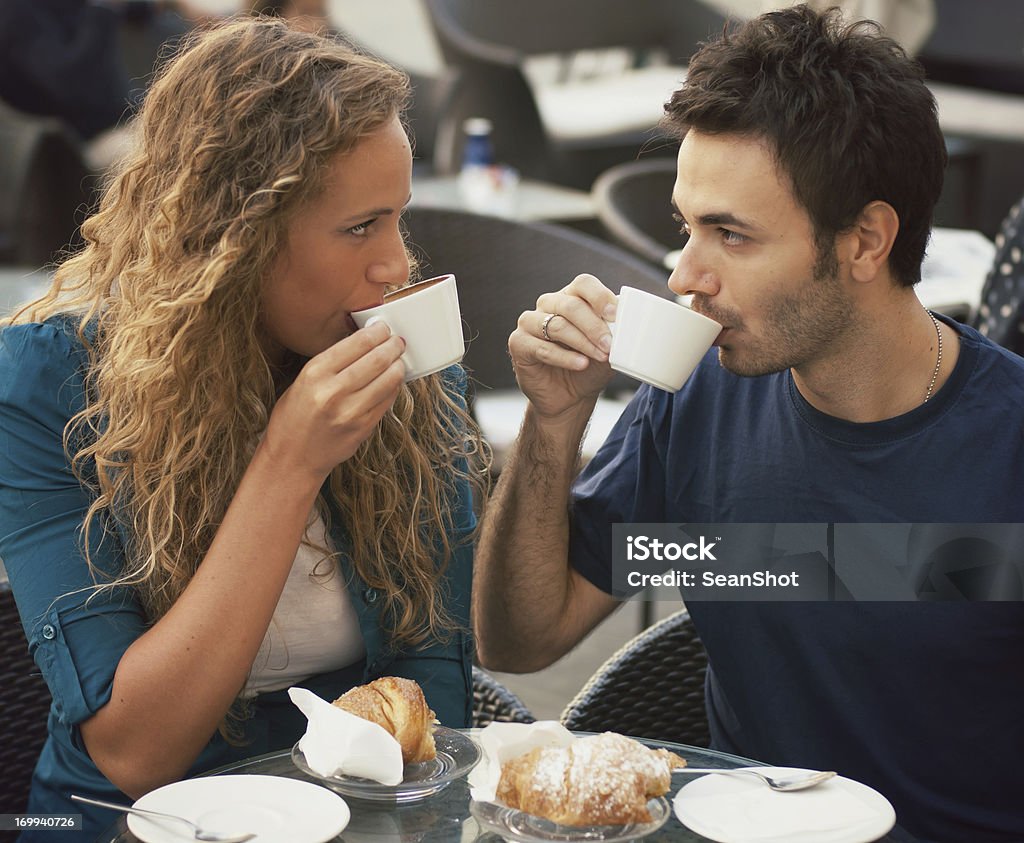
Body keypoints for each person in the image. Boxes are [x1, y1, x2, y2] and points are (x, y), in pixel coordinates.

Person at [474, 6, 1024, 843]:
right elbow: (521, 637)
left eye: (730, 234)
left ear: (866, 241)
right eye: (685, 227)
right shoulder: (698, 396)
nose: (684, 275)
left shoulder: (1008, 446)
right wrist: (556, 424)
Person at [0, 18, 485, 838]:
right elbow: (134, 751)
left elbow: (427, 687)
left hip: (358, 812)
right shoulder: (51, 387)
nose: (397, 265)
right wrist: (288, 467)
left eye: (400, 217)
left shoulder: (398, 371)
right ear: (235, 240)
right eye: (361, 226)